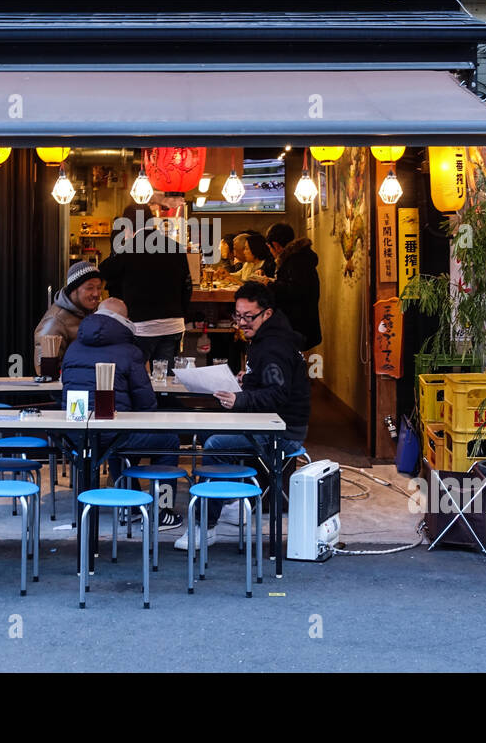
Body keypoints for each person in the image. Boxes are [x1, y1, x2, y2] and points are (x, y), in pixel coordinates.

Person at [175, 282, 310, 548]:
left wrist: (241, 397)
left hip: (283, 433)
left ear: (267, 314)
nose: (242, 323)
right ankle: (231, 501)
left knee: (215, 445)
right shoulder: (266, 339)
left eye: (249, 317)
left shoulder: (274, 347)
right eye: (238, 316)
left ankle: (206, 525)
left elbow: (278, 394)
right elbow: (269, 385)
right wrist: (247, 380)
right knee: (207, 431)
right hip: (265, 422)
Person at [61, 298, 184, 528]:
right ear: (125, 322)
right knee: (167, 440)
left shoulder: (73, 348)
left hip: (75, 432)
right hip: (113, 433)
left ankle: (129, 506)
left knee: (112, 441)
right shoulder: (130, 351)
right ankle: (161, 511)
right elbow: (146, 404)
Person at [99, 203, 194, 369]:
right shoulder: (176, 248)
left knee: (134, 376)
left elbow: (105, 272)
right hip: (173, 324)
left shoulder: (127, 249)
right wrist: (180, 312)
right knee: (166, 380)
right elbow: (187, 287)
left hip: (141, 326)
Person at [32, 261, 103, 374]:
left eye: (99, 288)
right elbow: (43, 370)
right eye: (90, 288)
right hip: (70, 388)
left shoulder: (95, 312)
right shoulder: (55, 320)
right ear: (73, 289)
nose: (96, 293)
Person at [265, 221, 322, 351]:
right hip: (301, 325)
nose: (270, 252)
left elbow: (294, 291)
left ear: (276, 245)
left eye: (269, 248)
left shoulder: (296, 261)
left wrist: (269, 284)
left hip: (297, 326)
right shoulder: (299, 258)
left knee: (292, 363)